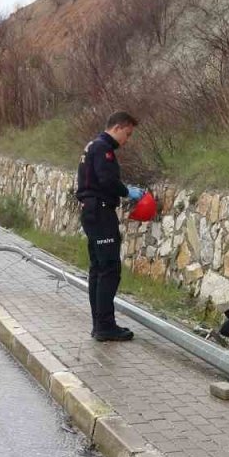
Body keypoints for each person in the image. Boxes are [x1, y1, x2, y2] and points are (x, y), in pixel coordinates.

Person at [75, 111, 146, 341]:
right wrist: (127, 192)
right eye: (127, 134)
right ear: (117, 127)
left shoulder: (92, 145)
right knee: (109, 269)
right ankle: (105, 327)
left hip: (92, 211)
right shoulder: (102, 149)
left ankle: (100, 325)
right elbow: (106, 180)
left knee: (98, 269)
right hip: (100, 212)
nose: (127, 140)